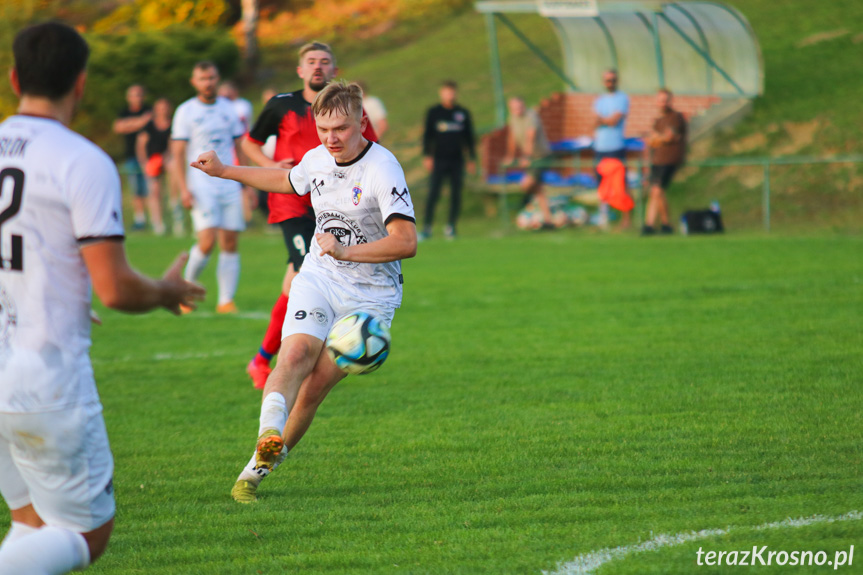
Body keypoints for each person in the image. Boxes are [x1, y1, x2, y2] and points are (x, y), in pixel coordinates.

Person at [0, 22, 204, 575]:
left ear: (16, 77)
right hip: (45, 374)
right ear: (82, 83)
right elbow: (116, 289)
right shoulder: (82, 159)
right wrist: (166, 291)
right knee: (86, 537)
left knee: (31, 523)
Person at [191, 81, 417, 504]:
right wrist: (225, 171)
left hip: (371, 297)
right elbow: (283, 179)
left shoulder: (383, 168)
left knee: (313, 389)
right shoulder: (316, 158)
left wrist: (347, 249)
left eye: (342, 129)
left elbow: (406, 242)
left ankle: (254, 472)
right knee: (293, 355)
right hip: (319, 277)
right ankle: (268, 437)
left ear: (361, 123)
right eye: (324, 129)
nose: (332, 138)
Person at [241, 42, 377, 390]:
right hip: (292, 203)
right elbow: (249, 143)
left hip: (333, 206)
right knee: (302, 271)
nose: (318, 67)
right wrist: (272, 166)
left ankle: (263, 359)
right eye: (311, 62)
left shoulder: (349, 112)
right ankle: (279, 358)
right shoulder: (282, 105)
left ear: (334, 69)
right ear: (300, 70)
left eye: (325, 62)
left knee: (293, 280)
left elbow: (371, 152)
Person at [171, 61, 247, 314]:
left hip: (229, 183)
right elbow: (178, 152)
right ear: (194, 82)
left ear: (218, 79)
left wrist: (247, 181)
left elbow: (239, 145)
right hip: (201, 184)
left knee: (230, 241)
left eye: (212, 77)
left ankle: (225, 301)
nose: (208, 82)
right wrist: (183, 188)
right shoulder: (185, 111)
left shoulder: (228, 108)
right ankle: (185, 291)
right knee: (206, 241)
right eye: (203, 78)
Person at [420, 80, 476, 240]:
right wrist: (427, 155)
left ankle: (451, 226)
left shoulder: (462, 113)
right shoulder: (434, 112)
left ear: (456, 93)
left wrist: (471, 158)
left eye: (452, 91)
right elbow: (427, 136)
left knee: (456, 194)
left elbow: (469, 138)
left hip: (457, 160)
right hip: (439, 159)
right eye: (446, 91)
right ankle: (427, 227)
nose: (449, 95)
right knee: (434, 192)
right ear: (441, 93)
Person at [501, 96, 555, 229]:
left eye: (519, 107)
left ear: (524, 105)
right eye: (514, 108)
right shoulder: (513, 118)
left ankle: (526, 205)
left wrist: (526, 157)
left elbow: (531, 136)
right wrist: (510, 156)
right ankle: (548, 221)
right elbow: (512, 138)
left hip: (541, 156)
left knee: (527, 184)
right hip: (531, 158)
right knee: (539, 189)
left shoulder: (531, 116)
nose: (517, 110)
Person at [643, 88, 687, 235]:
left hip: (669, 159)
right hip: (657, 160)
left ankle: (657, 224)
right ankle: (658, 225)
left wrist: (658, 138)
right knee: (654, 192)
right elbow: (650, 140)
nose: (663, 103)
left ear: (670, 101)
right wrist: (658, 138)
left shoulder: (675, 117)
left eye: (665, 100)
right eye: (660, 100)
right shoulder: (658, 121)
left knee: (657, 190)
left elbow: (669, 137)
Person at [593, 69, 630, 229]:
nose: (610, 83)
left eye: (613, 80)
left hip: (615, 147)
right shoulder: (599, 101)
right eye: (607, 80)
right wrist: (604, 120)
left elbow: (614, 121)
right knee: (602, 184)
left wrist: (604, 120)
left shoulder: (622, 99)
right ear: (603, 82)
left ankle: (626, 219)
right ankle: (604, 217)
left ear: (617, 81)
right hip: (600, 147)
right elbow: (595, 121)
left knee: (620, 184)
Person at [112, 84, 152, 231]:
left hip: (149, 157)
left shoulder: (148, 110)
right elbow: (118, 127)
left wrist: (130, 125)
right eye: (134, 95)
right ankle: (139, 219)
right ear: (128, 98)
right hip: (131, 157)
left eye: (139, 94)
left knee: (149, 189)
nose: (137, 98)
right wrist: (141, 122)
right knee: (136, 190)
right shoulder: (124, 112)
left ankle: (154, 219)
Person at [218, 80, 258, 223]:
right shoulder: (221, 107)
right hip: (228, 146)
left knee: (243, 175)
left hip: (241, 143)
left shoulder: (242, 105)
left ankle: (247, 215)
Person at [135, 97, 175, 236]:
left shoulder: (173, 125)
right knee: (155, 191)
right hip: (152, 161)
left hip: (167, 160)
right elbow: (141, 144)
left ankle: (176, 219)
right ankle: (158, 223)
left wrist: (166, 157)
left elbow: (173, 145)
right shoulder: (149, 125)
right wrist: (144, 162)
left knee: (172, 188)